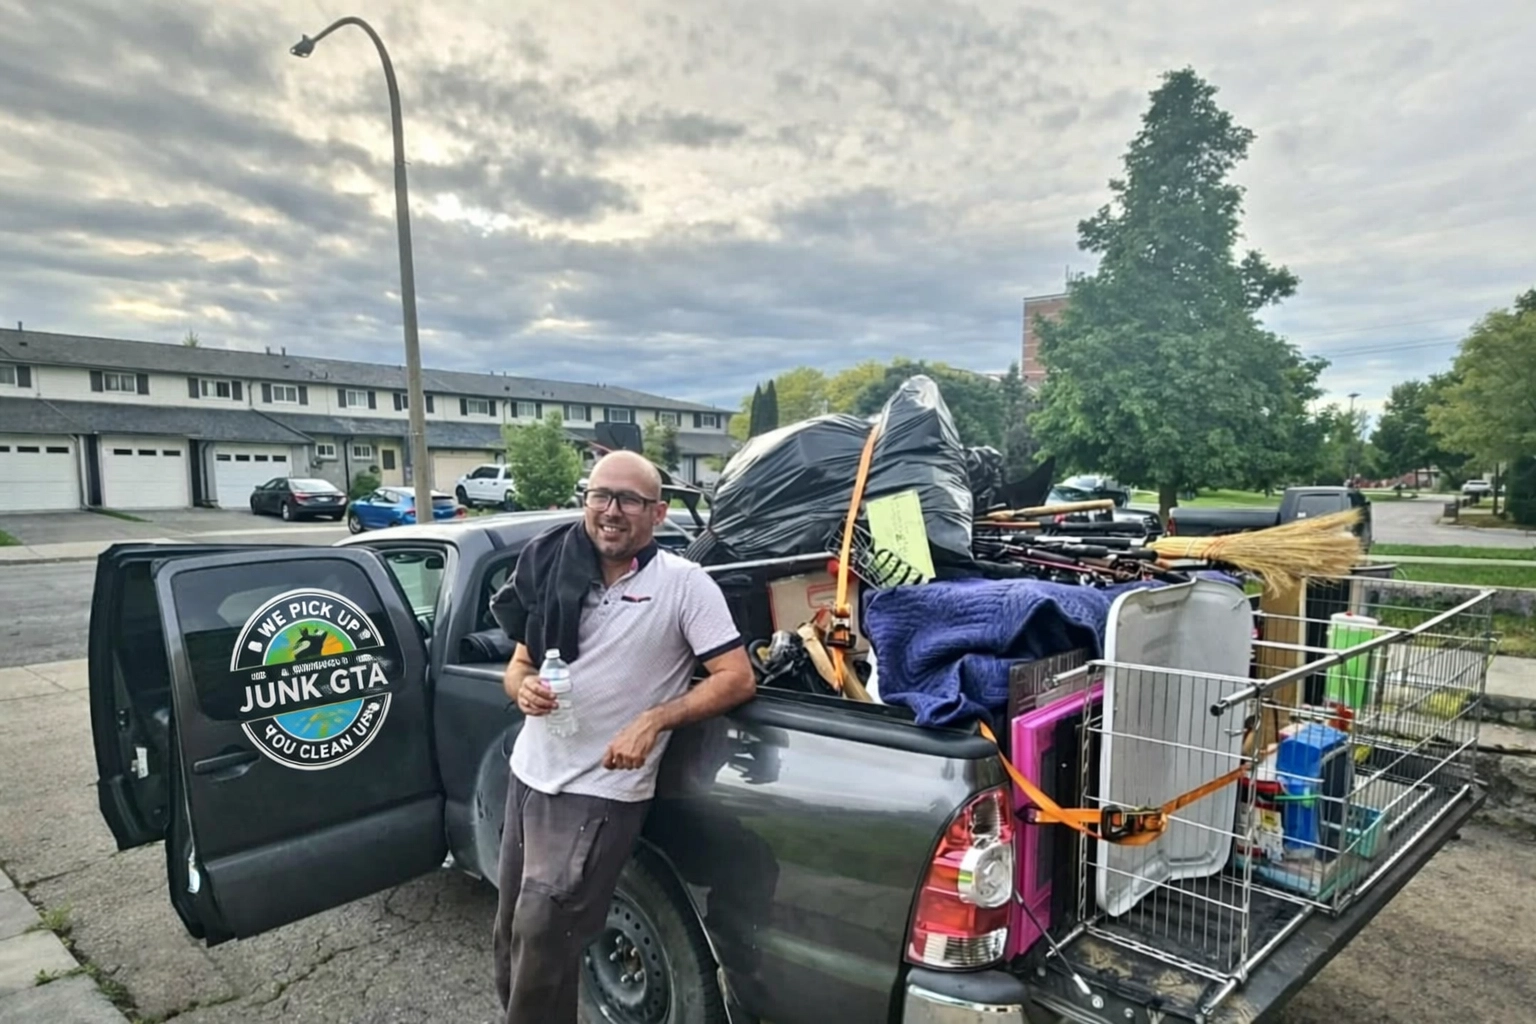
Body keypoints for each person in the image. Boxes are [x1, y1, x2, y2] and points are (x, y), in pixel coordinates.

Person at [488, 450, 755, 1023]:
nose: (611, 511)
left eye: (629, 500)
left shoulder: (684, 585)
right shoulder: (557, 570)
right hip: (531, 775)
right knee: (514, 937)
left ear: (657, 513)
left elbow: (736, 678)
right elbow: (518, 664)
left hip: (602, 791)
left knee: (543, 930)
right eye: (600, 495)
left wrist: (654, 719)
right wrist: (522, 689)